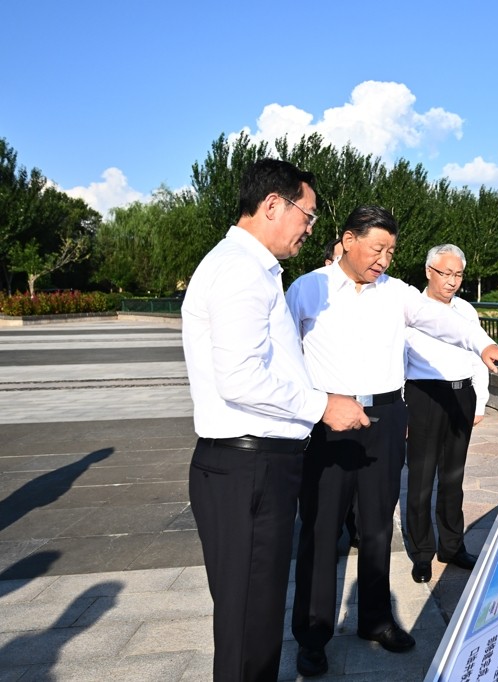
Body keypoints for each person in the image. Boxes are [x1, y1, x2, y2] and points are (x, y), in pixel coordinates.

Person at [286, 205, 498, 677]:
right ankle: (312, 635)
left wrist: (483, 345)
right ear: (348, 240)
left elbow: (442, 320)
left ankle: (375, 619)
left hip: (387, 415)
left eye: (392, 251)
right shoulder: (308, 288)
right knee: (320, 528)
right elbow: (284, 351)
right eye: (378, 248)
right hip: (328, 416)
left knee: (376, 527)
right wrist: (306, 409)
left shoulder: (396, 293)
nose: (385, 259)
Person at [181, 158, 369, 681]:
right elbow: (239, 377)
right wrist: (322, 406)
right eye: (306, 215)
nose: (310, 229)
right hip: (249, 467)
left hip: (256, 465)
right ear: (271, 205)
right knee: (249, 627)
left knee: (257, 618)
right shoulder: (241, 270)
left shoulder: (250, 267)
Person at [404, 244, 490, 583]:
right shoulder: (411, 309)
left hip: (461, 395)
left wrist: (479, 402)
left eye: (458, 274)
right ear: (429, 271)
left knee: (453, 478)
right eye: (446, 273)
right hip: (423, 396)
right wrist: (402, 409)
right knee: (421, 480)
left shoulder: (466, 310)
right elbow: (398, 362)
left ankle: (452, 547)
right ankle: (422, 553)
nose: (452, 281)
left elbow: (478, 358)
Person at [323, 236, 361, 551]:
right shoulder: (311, 295)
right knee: (330, 483)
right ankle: (330, 536)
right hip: (325, 408)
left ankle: (357, 529)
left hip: (364, 407)